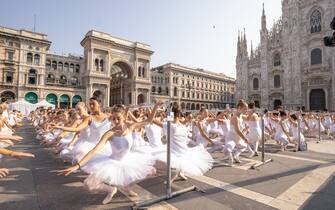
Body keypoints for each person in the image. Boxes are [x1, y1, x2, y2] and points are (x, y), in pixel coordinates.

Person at [57, 102, 163, 204]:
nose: (115, 121)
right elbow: (94, 151)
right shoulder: (109, 133)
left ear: (124, 118)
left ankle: (126, 186)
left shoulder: (131, 127)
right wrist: (77, 165)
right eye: (113, 118)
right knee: (89, 184)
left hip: (127, 160)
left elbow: (149, 120)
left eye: (118, 118)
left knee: (151, 171)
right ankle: (111, 190)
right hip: (111, 162)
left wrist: (156, 106)